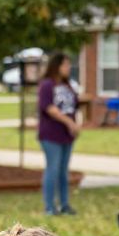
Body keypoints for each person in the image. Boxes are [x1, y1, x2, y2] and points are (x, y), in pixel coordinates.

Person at [37, 52, 80, 216]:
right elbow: (49, 108)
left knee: (63, 171)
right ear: (57, 66)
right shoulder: (47, 85)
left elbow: (74, 107)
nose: (69, 68)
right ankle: (49, 206)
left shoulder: (69, 85)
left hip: (66, 135)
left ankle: (64, 204)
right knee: (53, 169)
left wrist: (75, 125)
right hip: (51, 134)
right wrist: (69, 122)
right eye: (66, 65)